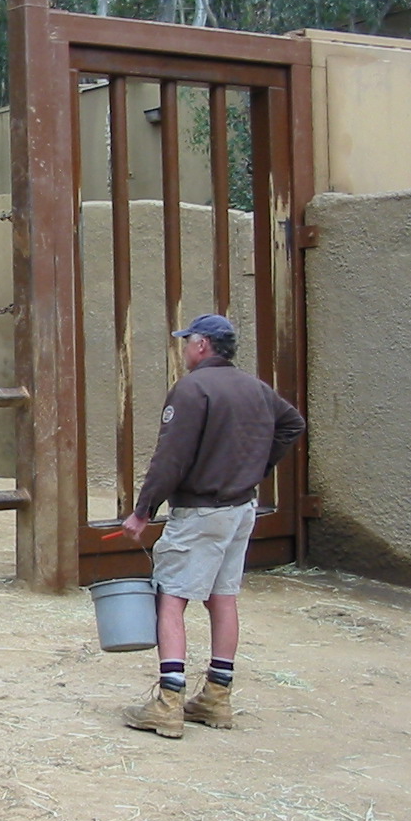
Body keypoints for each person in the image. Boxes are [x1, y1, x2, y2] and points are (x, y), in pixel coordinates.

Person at [119, 313, 306, 738]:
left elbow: (171, 457)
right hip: (241, 510)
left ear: (201, 345)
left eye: (186, 342)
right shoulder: (255, 388)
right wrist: (256, 468)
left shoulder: (192, 389)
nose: (184, 350)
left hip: (201, 512)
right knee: (223, 598)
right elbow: (292, 424)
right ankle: (217, 697)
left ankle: (168, 702)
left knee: (172, 598)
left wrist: (143, 509)